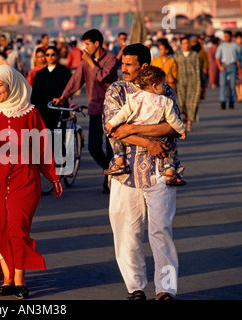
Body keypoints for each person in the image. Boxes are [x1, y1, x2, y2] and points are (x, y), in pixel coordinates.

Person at [0, 65, 63, 299]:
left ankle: (20, 278)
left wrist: (53, 175)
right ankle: (7, 279)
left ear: (12, 84)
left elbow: (42, 147)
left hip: (24, 178)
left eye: (0, 85)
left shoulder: (30, 113)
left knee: (17, 227)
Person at [103, 43, 181, 300]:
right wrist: (147, 141)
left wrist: (131, 130)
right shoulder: (116, 90)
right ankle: (135, 287)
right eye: (122, 63)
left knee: (161, 232)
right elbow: (113, 129)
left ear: (144, 66)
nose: (123, 68)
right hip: (124, 174)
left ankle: (165, 289)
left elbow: (172, 126)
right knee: (127, 232)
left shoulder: (164, 88)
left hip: (161, 170)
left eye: (128, 64)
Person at [53, 29, 117, 194]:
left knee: (111, 148)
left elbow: (102, 77)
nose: (85, 47)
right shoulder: (85, 62)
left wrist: (89, 61)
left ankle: (108, 181)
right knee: (93, 147)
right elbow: (76, 80)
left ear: (96, 44)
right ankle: (110, 170)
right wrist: (63, 96)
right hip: (94, 108)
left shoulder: (110, 59)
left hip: (112, 109)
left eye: (87, 44)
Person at [105, 65, 186, 186]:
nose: (165, 87)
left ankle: (119, 162)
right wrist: (182, 130)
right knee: (170, 148)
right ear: (154, 86)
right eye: (163, 84)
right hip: (158, 136)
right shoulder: (165, 101)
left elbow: (123, 114)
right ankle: (170, 174)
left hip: (135, 135)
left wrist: (111, 124)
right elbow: (173, 121)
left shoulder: (134, 98)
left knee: (117, 140)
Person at [31, 46, 72, 130]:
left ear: (57, 55)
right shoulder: (40, 74)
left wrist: (62, 99)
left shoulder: (64, 71)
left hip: (59, 107)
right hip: (43, 109)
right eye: (47, 55)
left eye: (53, 54)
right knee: (46, 137)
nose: (50, 57)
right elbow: (35, 93)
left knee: (59, 138)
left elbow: (69, 88)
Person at [175, 36, 201, 131]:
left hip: (193, 81)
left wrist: (201, 83)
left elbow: (198, 70)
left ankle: (189, 121)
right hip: (181, 82)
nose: (186, 45)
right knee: (182, 102)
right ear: (181, 45)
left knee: (192, 102)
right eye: (184, 43)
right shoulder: (178, 56)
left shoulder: (195, 55)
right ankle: (185, 117)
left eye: (187, 43)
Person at [215, 30, 241, 110]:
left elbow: (239, 58)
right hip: (224, 66)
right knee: (223, 84)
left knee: (232, 85)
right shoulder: (221, 46)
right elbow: (217, 58)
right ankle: (223, 101)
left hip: (233, 66)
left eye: (227, 36)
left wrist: (239, 68)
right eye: (225, 36)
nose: (226, 38)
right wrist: (219, 66)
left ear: (230, 36)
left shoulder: (236, 46)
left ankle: (231, 101)